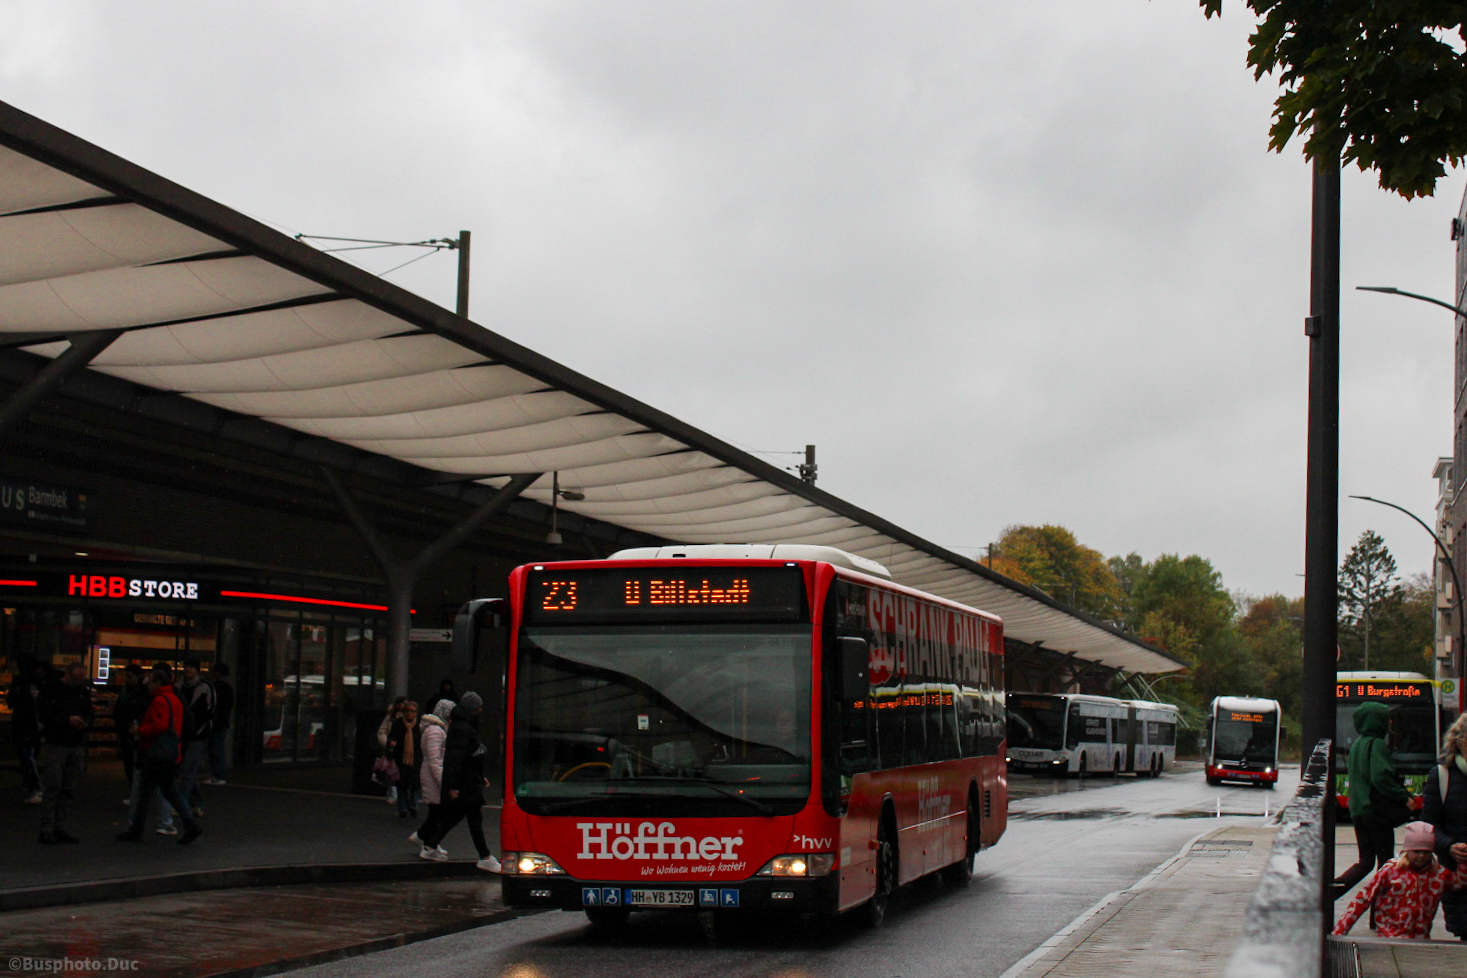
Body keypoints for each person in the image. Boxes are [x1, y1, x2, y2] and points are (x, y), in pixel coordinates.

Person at [1333, 821, 1467, 938]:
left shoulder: (1438, 874)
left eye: (1426, 852)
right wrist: (1340, 931)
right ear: (1408, 850)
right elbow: (1363, 899)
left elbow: (1459, 883)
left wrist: (1463, 862)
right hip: (1388, 937)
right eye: (1416, 851)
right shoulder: (1391, 871)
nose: (1421, 856)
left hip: (1420, 939)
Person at [1334, 701, 1413, 899]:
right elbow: (1380, 778)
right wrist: (1404, 797)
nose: (1390, 722)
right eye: (1386, 718)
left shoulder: (1357, 745)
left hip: (1358, 810)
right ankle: (1380, 907)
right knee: (1386, 863)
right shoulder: (1377, 744)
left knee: (1365, 862)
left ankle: (1331, 892)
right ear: (1377, 721)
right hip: (1375, 811)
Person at [117, 667, 201, 845]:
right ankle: (189, 825)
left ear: (157, 683)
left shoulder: (160, 700)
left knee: (145, 793)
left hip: (155, 754)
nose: (147, 685)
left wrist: (140, 730)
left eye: (150, 682)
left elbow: (159, 725)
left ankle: (136, 829)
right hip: (169, 752)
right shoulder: (174, 699)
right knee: (169, 791)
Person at [419, 691, 500, 872]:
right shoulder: (464, 728)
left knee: (458, 814)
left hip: (466, 780)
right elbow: (458, 758)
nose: (480, 711)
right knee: (472, 817)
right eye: (478, 708)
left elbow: (457, 757)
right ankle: (484, 856)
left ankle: (430, 846)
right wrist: (455, 784)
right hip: (467, 782)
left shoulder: (459, 726)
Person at [36, 661, 93, 844]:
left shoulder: (79, 691)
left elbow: (89, 713)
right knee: (56, 786)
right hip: (59, 742)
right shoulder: (56, 689)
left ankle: (56, 827)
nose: (79, 681)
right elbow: (44, 713)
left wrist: (83, 722)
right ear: (68, 673)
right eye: (77, 678)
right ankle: (50, 828)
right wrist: (70, 721)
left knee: (65, 787)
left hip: (68, 742)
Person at [1423, 713, 1467, 940]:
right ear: (1460, 742)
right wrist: (1449, 846)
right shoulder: (1442, 776)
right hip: (1459, 878)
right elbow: (1429, 825)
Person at [410, 698, 454, 855]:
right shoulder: (436, 731)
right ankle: (426, 840)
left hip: (431, 775)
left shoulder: (435, 730)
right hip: (433, 777)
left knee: (436, 812)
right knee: (438, 812)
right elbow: (435, 760)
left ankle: (427, 839)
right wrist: (443, 781)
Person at [175, 659, 215, 817]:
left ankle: (183, 803)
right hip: (190, 733)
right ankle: (195, 802)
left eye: (191, 667)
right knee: (188, 770)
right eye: (186, 667)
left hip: (196, 734)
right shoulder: (185, 687)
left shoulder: (201, 687)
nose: (188, 670)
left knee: (187, 770)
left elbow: (210, 710)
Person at [7, 657, 44, 804]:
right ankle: (31, 784)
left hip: (23, 722)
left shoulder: (20, 681)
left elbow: (11, 701)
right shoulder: (37, 682)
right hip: (32, 723)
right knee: (29, 753)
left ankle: (35, 787)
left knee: (26, 753)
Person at [112, 663, 149, 795]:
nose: (127, 680)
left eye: (129, 677)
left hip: (134, 733)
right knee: (130, 764)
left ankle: (136, 792)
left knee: (133, 763)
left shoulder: (135, 693)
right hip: (128, 732)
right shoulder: (131, 692)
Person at [388, 700, 423, 818]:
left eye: (412, 711)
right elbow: (391, 736)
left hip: (416, 759)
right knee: (401, 784)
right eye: (407, 711)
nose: (410, 713)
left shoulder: (420, 725)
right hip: (401, 758)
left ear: (416, 713)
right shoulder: (398, 724)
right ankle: (403, 808)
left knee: (415, 784)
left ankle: (413, 806)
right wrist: (391, 742)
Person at [206, 662, 234, 785]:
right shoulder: (227, 687)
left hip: (217, 721)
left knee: (215, 749)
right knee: (217, 748)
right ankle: (218, 774)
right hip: (222, 721)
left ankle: (218, 775)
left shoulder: (216, 687)